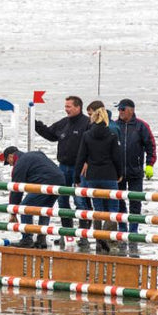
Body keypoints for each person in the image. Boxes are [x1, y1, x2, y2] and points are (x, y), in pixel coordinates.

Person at [33, 96, 91, 248]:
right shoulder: (64, 122)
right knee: (62, 200)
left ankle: (83, 235)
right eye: (65, 106)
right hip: (63, 167)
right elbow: (51, 135)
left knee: (80, 201)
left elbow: (93, 145)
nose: (66, 109)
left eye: (69, 106)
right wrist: (35, 124)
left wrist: (88, 162)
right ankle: (67, 233)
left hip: (80, 168)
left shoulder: (87, 123)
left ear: (78, 107)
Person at [75, 107, 124, 254]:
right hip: (109, 175)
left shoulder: (87, 135)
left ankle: (98, 239)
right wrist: (120, 173)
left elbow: (81, 157)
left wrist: (77, 176)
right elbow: (117, 157)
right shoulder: (112, 134)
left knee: (98, 209)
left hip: (93, 176)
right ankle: (109, 238)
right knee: (113, 209)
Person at [115, 98, 157, 253]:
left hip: (136, 171)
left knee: (135, 201)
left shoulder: (141, 126)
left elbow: (150, 146)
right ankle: (122, 227)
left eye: (122, 109)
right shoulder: (115, 125)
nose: (120, 112)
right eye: (119, 109)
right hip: (118, 172)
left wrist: (149, 165)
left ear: (131, 110)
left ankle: (134, 229)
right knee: (119, 201)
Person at [2, 146, 64, 249]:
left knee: (24, 208)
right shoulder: (35, 154)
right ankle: (41, 239)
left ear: (11, 156)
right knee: (45, 210)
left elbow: (16, 190)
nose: (10, 165)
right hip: (60, 180)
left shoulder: (19, 164)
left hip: (45, 183)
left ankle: (27, 239)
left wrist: (13, 212)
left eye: (9, 162)